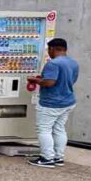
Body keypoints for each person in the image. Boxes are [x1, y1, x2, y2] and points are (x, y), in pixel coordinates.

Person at [27, 37, 79, 168]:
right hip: (68, 101)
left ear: (52, 49)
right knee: (59, 129)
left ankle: (47, 158)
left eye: (48, 50)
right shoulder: (73, 63)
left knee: (44, 129)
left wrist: (35, 80)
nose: (48, 53)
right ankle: (58, 157)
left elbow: (50, 82)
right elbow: (72, 80)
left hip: (51, 102)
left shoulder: (53, 64)